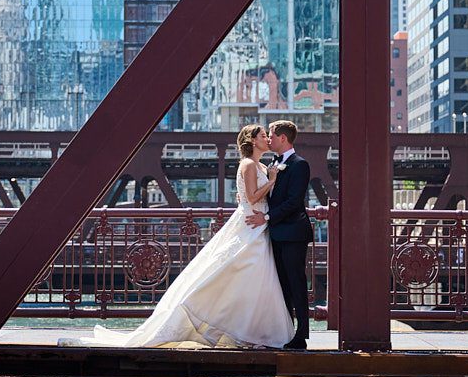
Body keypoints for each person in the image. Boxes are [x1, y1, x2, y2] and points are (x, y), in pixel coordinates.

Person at [69, 124, 295, 348]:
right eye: (263, 135)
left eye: (268, 135)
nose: (267, 139)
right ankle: (238, 328)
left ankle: (250, 330)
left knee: (254, 279)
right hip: (249, 227)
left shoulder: (261, 166)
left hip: (258, 226)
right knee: (239, 274)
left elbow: (252, 197)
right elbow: (253, 197)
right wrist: (272, 180)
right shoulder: (248, 165)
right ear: (253, 141)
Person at [245, 119, 313, 350]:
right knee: (282, 284)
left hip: (293, 233)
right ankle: (285, 331)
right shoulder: (272, 163)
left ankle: (301, 334)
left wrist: (266, 218)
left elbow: (295, 202)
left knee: (296, 283)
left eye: (271, 135)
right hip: (275, 233)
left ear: (283, 138)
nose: (269, 139)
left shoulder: (299, 165)